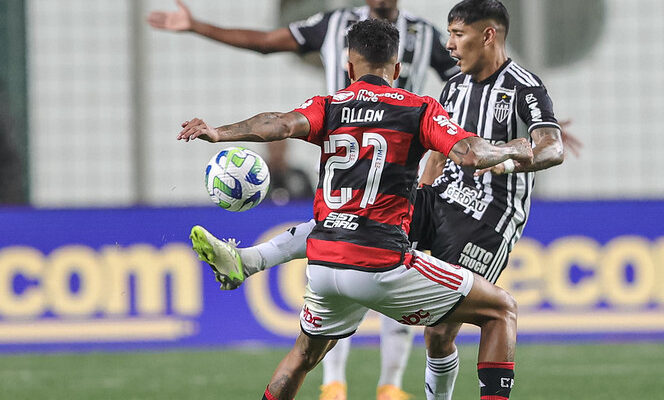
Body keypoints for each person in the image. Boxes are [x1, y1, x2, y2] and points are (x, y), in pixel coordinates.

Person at [202, 1, 564, 399]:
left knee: (303, 356)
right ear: (397, 69)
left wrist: (220, 132)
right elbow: (467, 153)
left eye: (457, 35)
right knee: (500, 309)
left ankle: (251, 259)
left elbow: (277, 122)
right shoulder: (418, 107)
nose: (449, 45)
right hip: (378, 261)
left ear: (348, 66)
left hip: (327, 261)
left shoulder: (328, 104)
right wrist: (511, 152)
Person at [150, 2, 458, 398]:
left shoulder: (424, 34)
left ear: (350, 66)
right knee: (405, 257)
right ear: (395, 70)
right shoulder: (334, 25)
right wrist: (197, 27)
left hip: (388, 155)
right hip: (357, 152)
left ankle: (384, 385)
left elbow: (465, 80)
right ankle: (342, 383)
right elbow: (264, 42)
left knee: (338, 237)